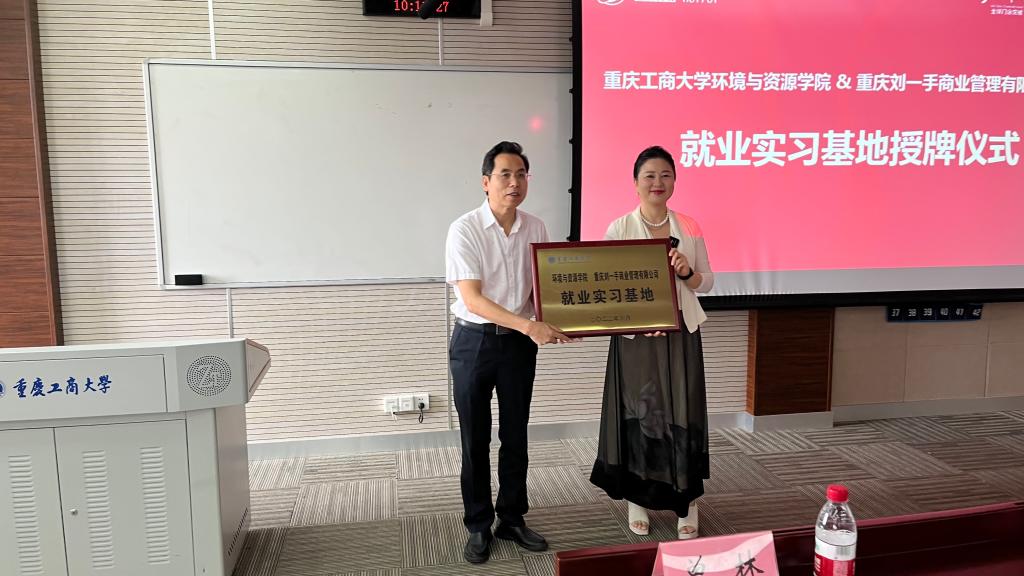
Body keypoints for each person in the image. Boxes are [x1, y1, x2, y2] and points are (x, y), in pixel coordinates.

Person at [445, 141, 574, 564]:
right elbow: (473, 298)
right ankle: (478, 524)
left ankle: (512, 518)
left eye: (521, 174)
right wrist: (530, 325)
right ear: (486, 182)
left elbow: (542, 290)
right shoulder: (464, 229)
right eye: (505, 174)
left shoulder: (535, 227)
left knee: (515, 434)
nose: (514, 182)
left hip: (518, 345)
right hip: (474, 342)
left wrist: (568, 319)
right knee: (475, 437)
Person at [589, 145, 715, 540]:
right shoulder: (619, 228)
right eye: (650, 176)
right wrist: (638, 320)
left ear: (674, 180)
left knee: (681, 410)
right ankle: (637, 498)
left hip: (680, 334)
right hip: (636, 338)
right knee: (641, 411)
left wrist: (688, 272)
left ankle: (686, 501)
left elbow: (707, 282)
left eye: (665, 175)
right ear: (635, 183)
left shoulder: (689, 226)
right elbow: (608, 287)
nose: (658, 182)